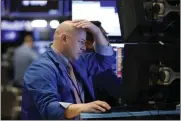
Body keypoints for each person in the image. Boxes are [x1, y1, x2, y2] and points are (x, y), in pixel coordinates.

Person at [21, 20, 114, 120]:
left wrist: (97, 32)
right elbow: (49, 108)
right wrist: (82, 108)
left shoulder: (78, 61)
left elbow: (105, 61)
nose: (84, 48)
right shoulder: (41, 68)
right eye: (81, 42)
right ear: (64, 38)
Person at [86, 21, 122, 106]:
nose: (107, 41)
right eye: (103, 37)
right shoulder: (98, 68)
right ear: (87, 44)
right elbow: (120, 96)